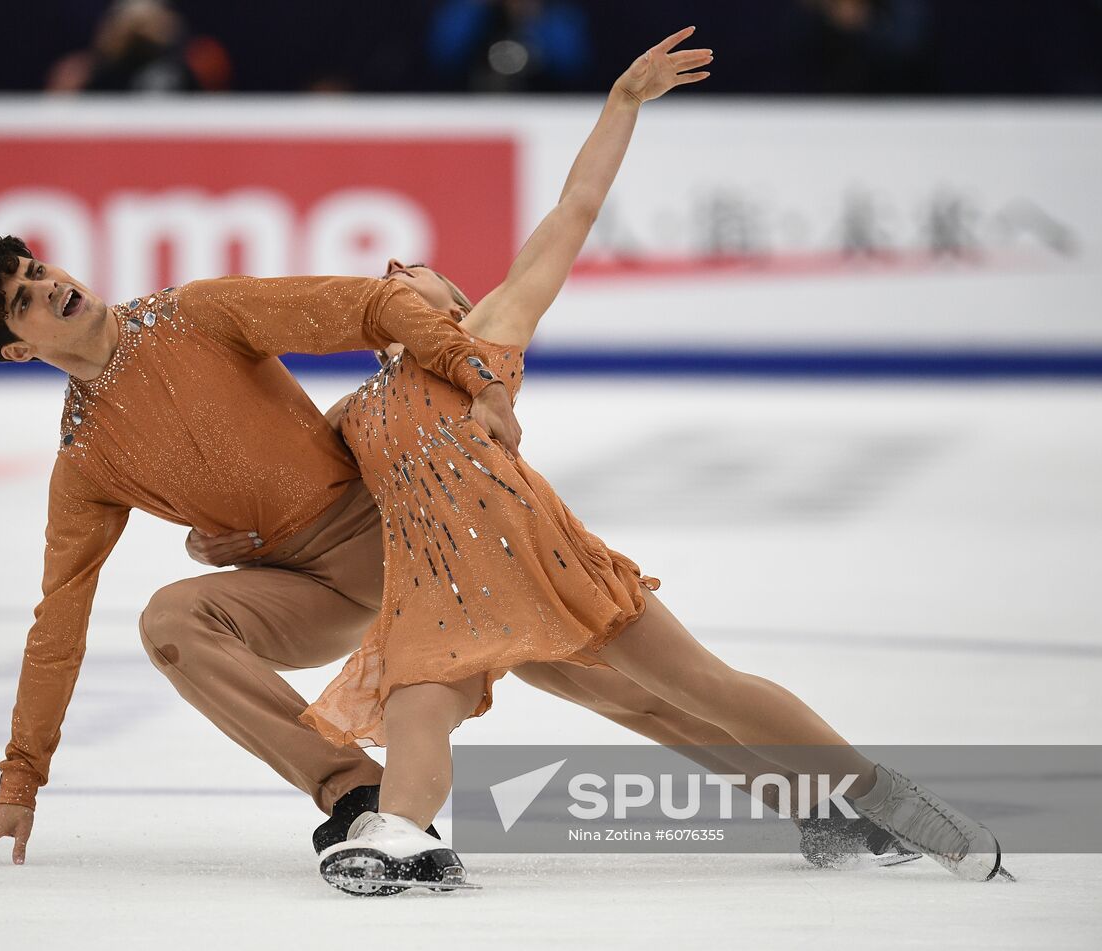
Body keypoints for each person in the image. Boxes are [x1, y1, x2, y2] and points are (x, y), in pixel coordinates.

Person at [0, 214, 881, 870]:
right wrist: (22, 781)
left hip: (419, 535)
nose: (46, 286)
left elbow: (372, 306)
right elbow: (58, 621)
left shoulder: (195, 313)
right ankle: (356, 797)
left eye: (37, 269)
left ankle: (819, 805)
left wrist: (477, 371)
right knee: (173, 618)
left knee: (637, 692)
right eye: (22, 297)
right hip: (309, 586)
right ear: (19, 350)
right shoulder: (86, 459)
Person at [302, 26, 1004, 894]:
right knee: (420, 701)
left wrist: (621, 103)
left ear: (451, 303)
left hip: (534, 557)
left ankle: (872, 793)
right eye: (389, 271)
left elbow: (573, 213)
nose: (397, 267)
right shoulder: (352, 411)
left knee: (695, 688)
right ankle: (405, 832)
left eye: (420, 271)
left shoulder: (482, 340)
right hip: (435, 585)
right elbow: (284, 485)